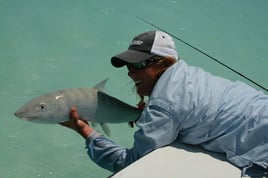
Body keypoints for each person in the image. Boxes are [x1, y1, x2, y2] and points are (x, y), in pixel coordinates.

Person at [61, 31, 268, 177]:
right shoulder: (191, 76)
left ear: (165, 63)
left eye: (138, 64)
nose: (130, 72)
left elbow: (131, 163)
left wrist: (86, 132)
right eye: (128, 66)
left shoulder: (164, 106)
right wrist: (149, 116)